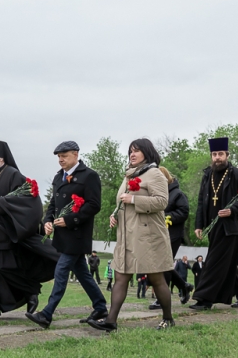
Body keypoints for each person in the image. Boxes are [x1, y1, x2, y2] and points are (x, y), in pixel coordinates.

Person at [89, 138, 175, 331]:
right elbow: (122, 202)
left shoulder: (155, 174)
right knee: (120, 276)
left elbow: (162, 202)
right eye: (130, 152)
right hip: (127, 235)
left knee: (156, 278)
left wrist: (134, 199)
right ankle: (111, 321)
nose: (132, 155)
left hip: (148, 236)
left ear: (147, 152)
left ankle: (168, 318)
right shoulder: (128, 175)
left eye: (136, 151)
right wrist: (115, 214)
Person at [0, 140, 59, 321]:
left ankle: (30, 292)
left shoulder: (13, 175)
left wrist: (1, 203)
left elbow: (30, 202)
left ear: (1, 158)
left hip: (6, 234)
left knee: (4, 268)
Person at [26, 140, 108, 329]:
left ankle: (47, 314)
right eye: (59, 157)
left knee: (61, 271)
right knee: (83, 274)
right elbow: (53, 204)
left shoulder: (89, 176)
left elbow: (94, 205)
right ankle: (101, 307)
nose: (60, 160)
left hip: (78, 235)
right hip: (62, 236)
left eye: (64, 156)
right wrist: (47, 221)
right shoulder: (58, 178)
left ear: (76, 155)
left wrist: (71, 220)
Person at [190, 137, 238, 310]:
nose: (217, 157)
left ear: (227, 155)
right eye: (214, 154)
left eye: (220, 154)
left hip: (229, 227)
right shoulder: (207, 174)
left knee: (213, 262)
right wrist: (199, 224)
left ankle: (205, 299)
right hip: (212, 226)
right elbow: (202, 201)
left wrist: (232, 209)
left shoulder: (236, 174)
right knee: (226, 262)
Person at [150, 167, 192, 310]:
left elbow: (184, 212)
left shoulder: (177, 194)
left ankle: (162, 298)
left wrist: (167, 217)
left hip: (172, 235)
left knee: (164, 266)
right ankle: (184, 286)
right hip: (158, 234)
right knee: (162, 265)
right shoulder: (156, 194)